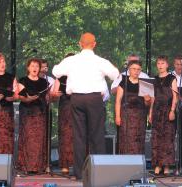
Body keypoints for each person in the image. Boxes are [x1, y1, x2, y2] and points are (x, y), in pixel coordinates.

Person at [52, 32, 119, 179]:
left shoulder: (71, 60)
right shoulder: (100, 61)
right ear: (94, 44)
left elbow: (55, 71)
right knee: (97, 135)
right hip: (94, 99)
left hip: (76, 98)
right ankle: (99, 172)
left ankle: (79, 173)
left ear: (80, 44)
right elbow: (116, 75)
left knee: (79, 136)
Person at [17, 58, 49, 174]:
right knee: (28, 139)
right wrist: (28, 98)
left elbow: (47, 96)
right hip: (27, 112)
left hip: (40, 112)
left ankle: (38, 167)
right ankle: (27, 166)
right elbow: (21, 96)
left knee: (39, 139)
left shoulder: (44, 82)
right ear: (28, 68)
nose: (35, 68)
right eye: (32, 66)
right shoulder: (23, 80)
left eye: (37, 66)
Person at [149, 55, 177, 175]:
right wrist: (150, 113)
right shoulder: (154, 80)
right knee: (156, 139)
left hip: (167, 110)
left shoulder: (172, 78)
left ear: (167, 65)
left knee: (167, 139)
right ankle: (158, 165)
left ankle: (166, 166)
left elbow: (175, 96)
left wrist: (172, 110)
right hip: (156, 111)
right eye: (158, 63)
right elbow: (152, 98)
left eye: (163, 63)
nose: (160, 66)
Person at [115, 61, 151, 154]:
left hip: (140, 117)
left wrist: (147, 100)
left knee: (138, 139)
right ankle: (125, 163)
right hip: (126, 116)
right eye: (134, 69)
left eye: (138, 69)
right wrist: (117, 116)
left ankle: (137, 162)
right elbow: (118, 101)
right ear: (129, 70)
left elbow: (148, 104)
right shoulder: (123, 83)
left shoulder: (144, 84)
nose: (136, 71)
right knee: (126, 138)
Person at [51, 53, 75, 174]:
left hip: (78, 107)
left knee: (78, 135)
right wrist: (54, 94)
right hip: (65, 109)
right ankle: (65, 164)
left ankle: (79, 164)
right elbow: (54, 95)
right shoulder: (60, 77)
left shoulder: (81, 75)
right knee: (66, 135)